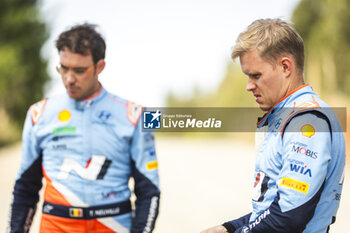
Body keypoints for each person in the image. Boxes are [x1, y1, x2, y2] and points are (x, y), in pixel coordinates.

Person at [8, 23, 160, 233]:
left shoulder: (137, 115)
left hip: (113, 225)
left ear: (100, 67)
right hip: (57, 225)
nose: (69, 79)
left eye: (79, 71)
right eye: (63, 68)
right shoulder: (38, 114)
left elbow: (149, 191)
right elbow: (26, 187)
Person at [201, 18, 345, 233]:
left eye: (256, 75)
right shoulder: (289, 115)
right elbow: (273, 208)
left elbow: (289, 217)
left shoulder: (307, 121)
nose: (249, 86)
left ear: (285, 66)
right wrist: (229, 228)